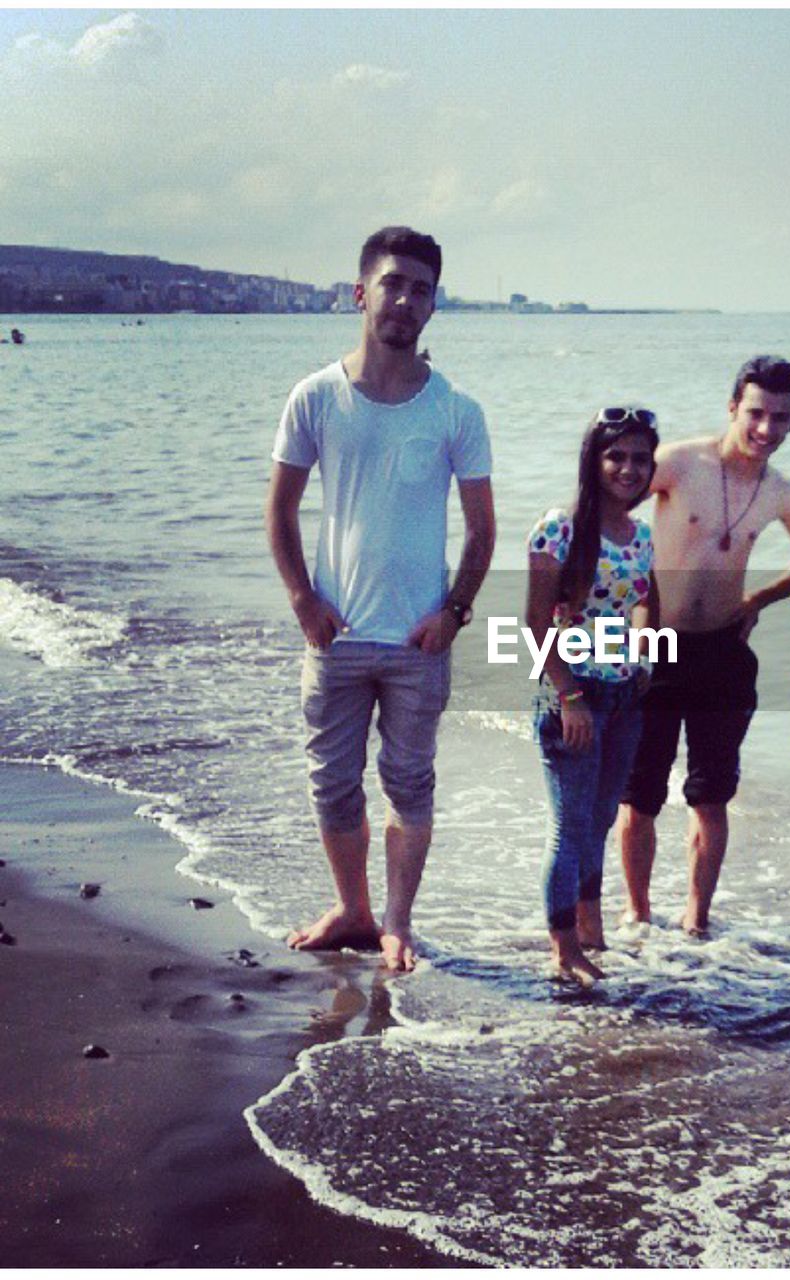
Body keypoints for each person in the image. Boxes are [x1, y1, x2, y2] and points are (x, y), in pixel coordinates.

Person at [265, 226, 495, 973]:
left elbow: (484, 529)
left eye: (420, 289)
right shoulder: (316, 397)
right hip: (335, 636)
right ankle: (351, 908)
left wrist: (454, 614)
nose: (404, 299)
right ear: (361, 293)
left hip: (416, 643)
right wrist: (304, 602)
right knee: (331, 783)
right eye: (391, 283)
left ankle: (396, 921)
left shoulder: (456, 411)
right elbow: (280, 509)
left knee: (409, 782)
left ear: (433, 306)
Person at [616, 356, 790, 936]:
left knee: (711, 795)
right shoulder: (677, 462)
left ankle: (697, 922)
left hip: (723, 653)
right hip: (654, 647)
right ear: (733, 408)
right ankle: (637, 912)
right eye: (756, 413)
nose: (766, 430)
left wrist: (759, 599)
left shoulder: (783, 492)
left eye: (781, 418)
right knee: (641, 793)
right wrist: (633, 602)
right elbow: (607, 514)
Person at [526, 408, 660, 984]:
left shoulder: (642, 534)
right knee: (571, 827)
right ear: (594, 461)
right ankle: (563, 949)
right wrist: (569, 695)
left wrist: (647, 650)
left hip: (625, 693)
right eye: (616, 456)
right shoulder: (561, 526)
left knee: (602, 819)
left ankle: (590, 929)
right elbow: (533, 623)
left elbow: (645, 596)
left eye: (639, 458)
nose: (629, 468)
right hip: (572, 696)